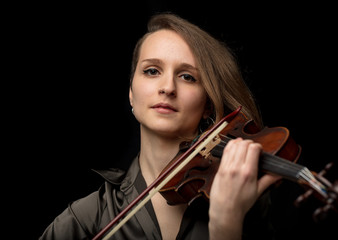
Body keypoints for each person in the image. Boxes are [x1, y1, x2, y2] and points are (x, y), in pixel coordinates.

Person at [40, 13, 280, 240]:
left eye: (187, 76)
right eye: (152, 71)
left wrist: (226, 226)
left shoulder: (245, 199)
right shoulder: (86, 219)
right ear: (132, 94)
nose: (168, 87)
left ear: (207, 104)